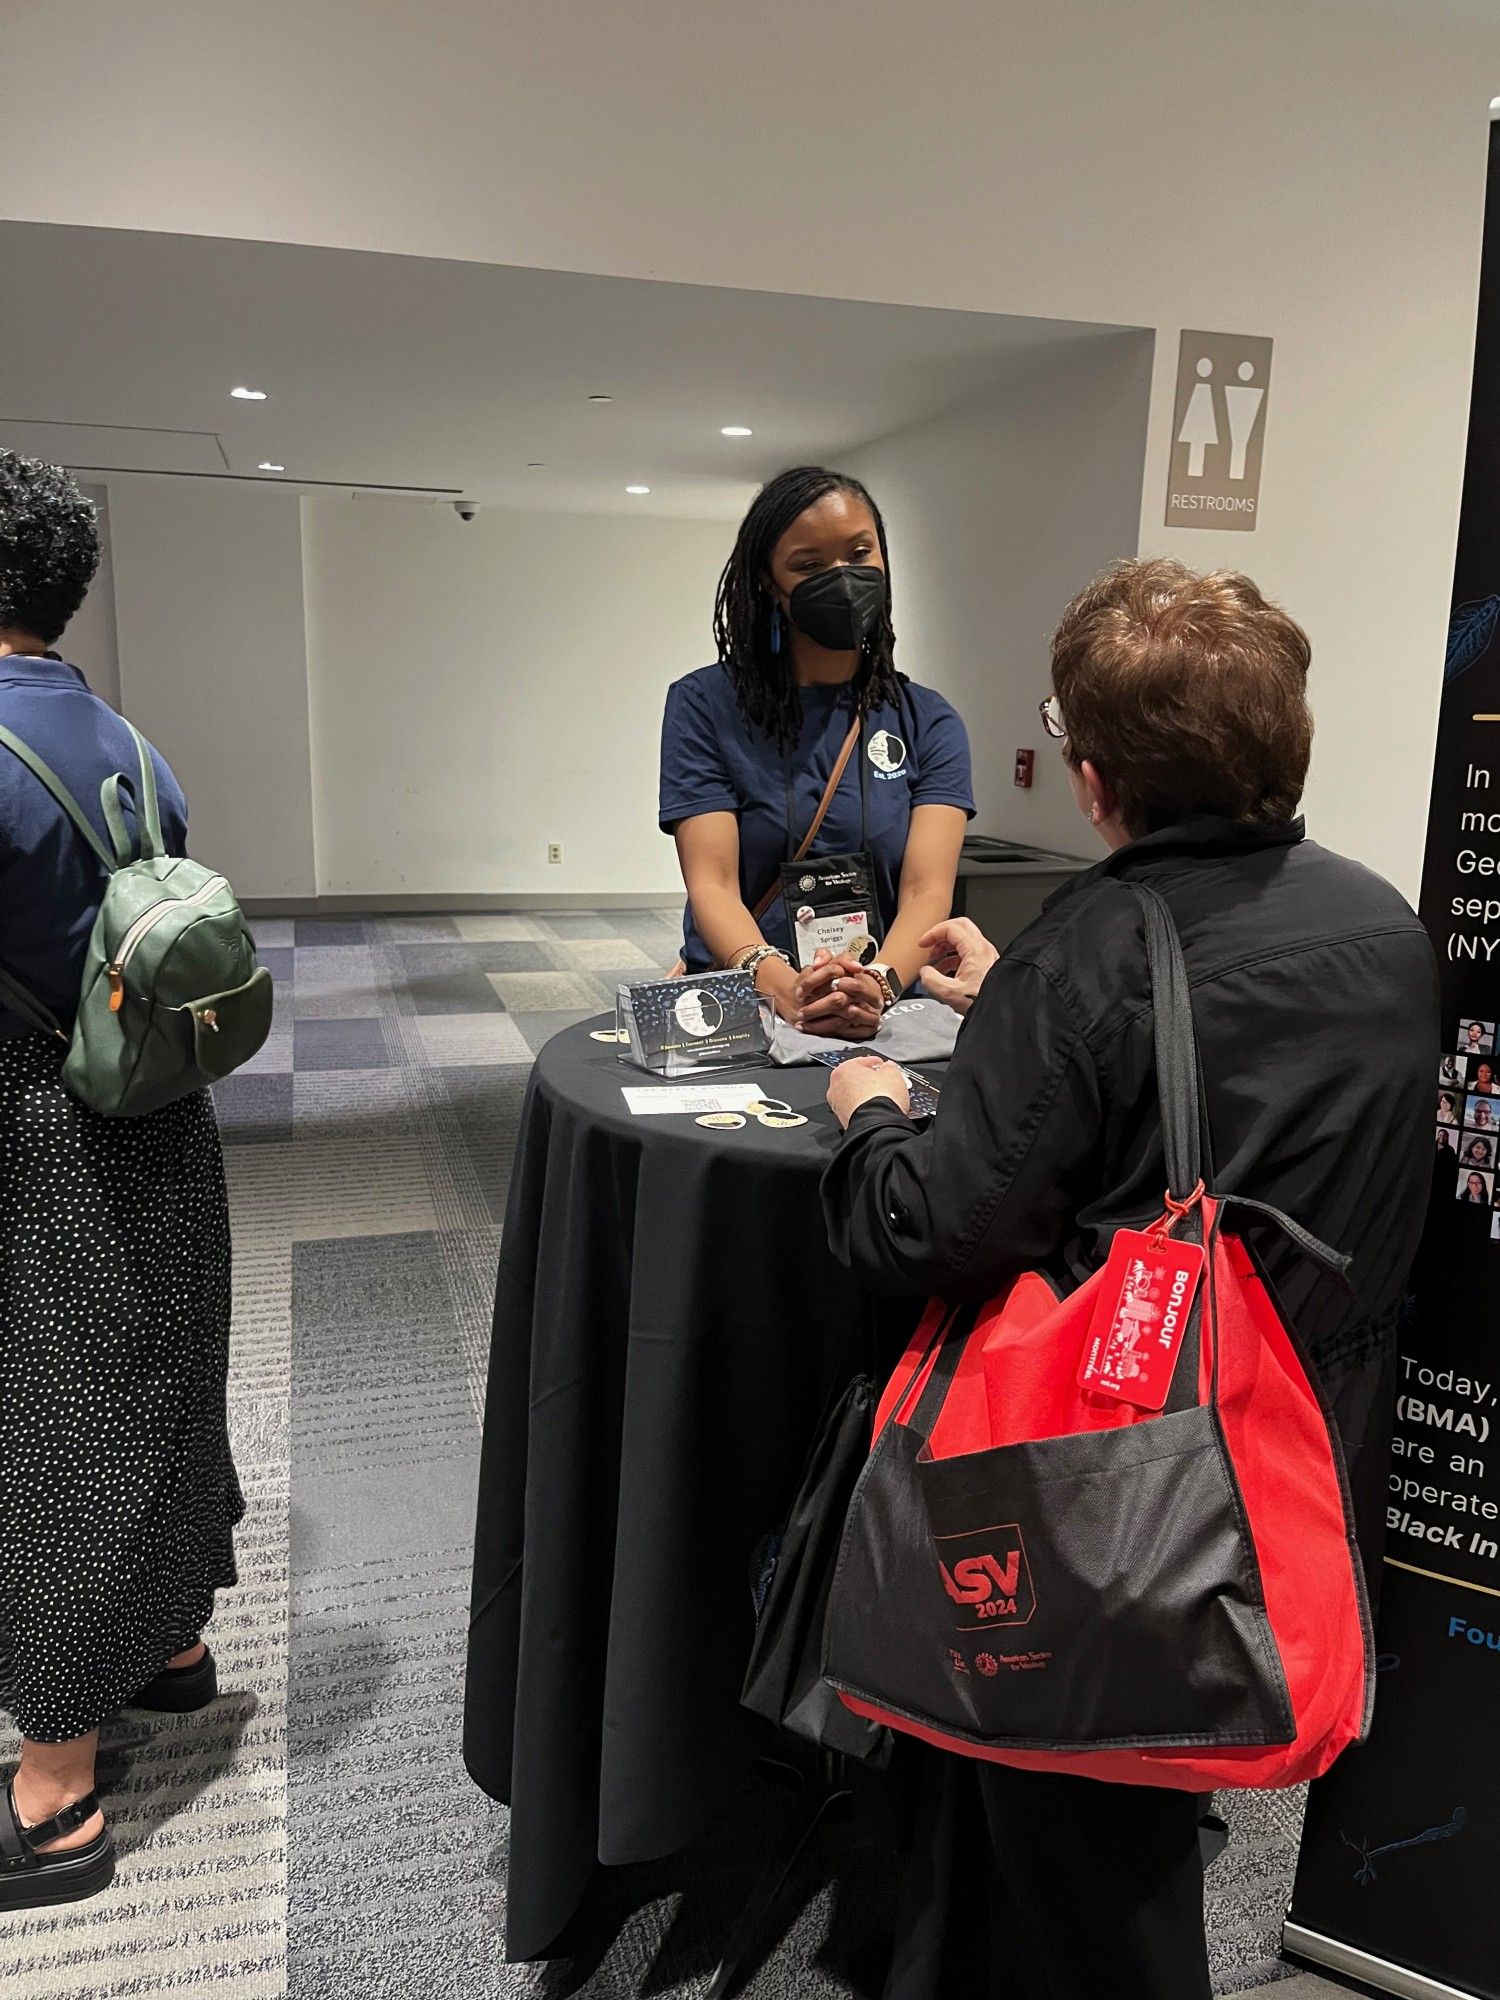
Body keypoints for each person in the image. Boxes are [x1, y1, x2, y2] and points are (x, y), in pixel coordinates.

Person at [821, 557, 1437, 2000]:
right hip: (1299, 1452)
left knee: (1087, 1863)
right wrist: (1013, 1014)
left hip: (1117, 1492)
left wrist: (870, 1103)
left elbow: (927, 1231)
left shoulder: (1094, 951)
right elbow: (1221, 1106)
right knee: (1108, 1812)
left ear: (1094, 781)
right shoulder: (1384, 926)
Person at [0, 454, 242, 1909]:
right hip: (155, 1117)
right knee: (152, 1377)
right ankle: (169, 1652)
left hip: (38, 1128)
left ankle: (56, 1794)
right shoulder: (124, 737)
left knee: (58, 1424)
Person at [659, 466, 973, 1039]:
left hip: (879, 1013)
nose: (843, 578)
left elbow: (928, 890)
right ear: (767, 583)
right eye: (809, 565)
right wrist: (783, 986)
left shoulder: (929, 720)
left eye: (859, 553)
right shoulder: (704, 705)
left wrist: (876, 985)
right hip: (742, 1004)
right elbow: (712, 883)